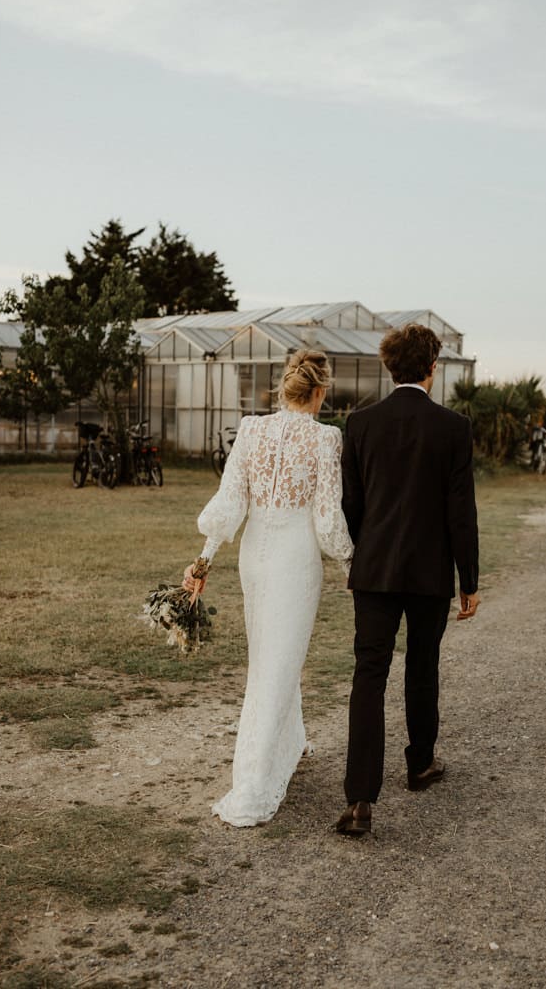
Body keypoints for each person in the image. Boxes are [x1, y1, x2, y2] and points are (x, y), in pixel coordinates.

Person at [183, 350, 354, 828]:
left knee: (270, 656)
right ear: (320, 393)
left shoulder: (251, 429)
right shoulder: (325, 438)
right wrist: (350, 559)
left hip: (254, 558)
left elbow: (230, 501)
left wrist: (204, 560)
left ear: (284, 389)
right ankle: (253, 784)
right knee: (277, 662)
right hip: (294, 559)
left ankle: (290, 741)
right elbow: (327, 520)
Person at [335, 323, 480, 837]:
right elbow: (461, 512)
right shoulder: (454, 427)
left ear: (389, 366)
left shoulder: (360, 424)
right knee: (422, 664)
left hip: (374, 570)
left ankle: (359, 800)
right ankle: (420, 765)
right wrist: (469, 580)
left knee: (368, 674)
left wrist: (362, 556)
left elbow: (351, 505)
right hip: (429, 571)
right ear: (433, 368)